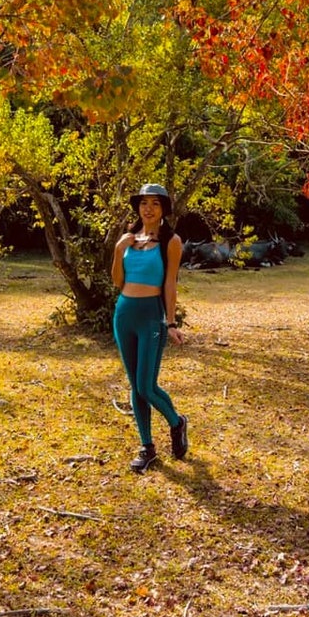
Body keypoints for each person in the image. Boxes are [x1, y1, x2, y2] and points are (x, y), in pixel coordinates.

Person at [111, 182, 187, 472]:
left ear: (164, 209)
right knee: (135, 385)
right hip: (124, 314)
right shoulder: (128, 240)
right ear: (138, 207)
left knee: (146, 385)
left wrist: (170, 322)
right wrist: (118, 251)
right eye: (144, 203)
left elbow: (170, 283)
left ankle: (177, 422)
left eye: (155, 203)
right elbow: (118, 281)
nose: (149, 208)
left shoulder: (172, 241)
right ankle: (147, 447)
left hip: (151, 316)